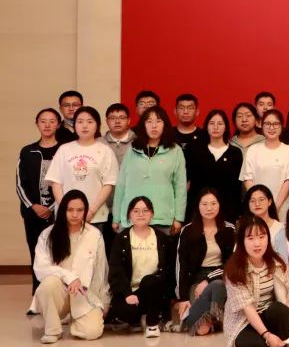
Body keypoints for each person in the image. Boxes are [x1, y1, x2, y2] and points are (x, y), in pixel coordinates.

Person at [222, 215, 289, 347]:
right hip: (243, 322)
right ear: (241, 241)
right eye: (250, 238)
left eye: (261, 237)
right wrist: (267, 335)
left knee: (281, 311)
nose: (257, 243)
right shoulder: (234, 270)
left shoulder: (277, 262)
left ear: (268, 238)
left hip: (269, 314)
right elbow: (248, 309)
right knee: (251, 345)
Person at [32, 190, 108, 343]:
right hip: (58, 293)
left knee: (91, 332)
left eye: (80, 210)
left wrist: (104, 303)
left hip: (83, 294)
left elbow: (101, 273)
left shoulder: (94, 235)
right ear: (63, 210)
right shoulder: (48, 235)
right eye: (70, 210)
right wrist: (69, 277)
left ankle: (75, 317)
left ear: (85, 211)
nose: (75, 214)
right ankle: (53, 330)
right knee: (47, 284)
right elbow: (41, 268)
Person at [45, 105, 118, 249]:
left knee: (92, 254)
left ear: (97, 125)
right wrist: (66, 210)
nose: (85, 126)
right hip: (66, 217)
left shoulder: (105, 151)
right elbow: (56, 182)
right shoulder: (64, 149)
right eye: (80, 121)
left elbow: (108, 184)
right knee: (65, 253)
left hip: (95, 216)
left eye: (90, 122)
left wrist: (90, 211)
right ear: (74, 125)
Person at [112, 106, 188, 235]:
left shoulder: (175, 150)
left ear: (165, 125)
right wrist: (116, 217)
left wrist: (179, 218)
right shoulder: (132, 149)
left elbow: (180, 187)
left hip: (162, 218)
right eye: (149, 121)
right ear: (143, 125)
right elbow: (121, 184)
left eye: (158, 121)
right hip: (132, 217)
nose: (154, 126)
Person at [107, 196, 174, 338]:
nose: (140, 214)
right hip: (131, 292)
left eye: (145, 210)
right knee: (123, 314)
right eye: (136, 211)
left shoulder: (161, 238)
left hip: (155, 289)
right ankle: (140, 316)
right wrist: (127, 293)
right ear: (129, 215)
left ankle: (152, 324)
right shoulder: (121, 239)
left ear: (152, 214)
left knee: (150, 281)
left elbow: (168, 269)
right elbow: (116, 270)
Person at [175, 188, 236, 335]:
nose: (209, 208)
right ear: (198, 206)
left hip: (222, 276)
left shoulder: (229, 229)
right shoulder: (188, 231)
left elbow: (231, 263)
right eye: (204, 204)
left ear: (219, 205)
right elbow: (181, 266)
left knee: (218, 285)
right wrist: (182, 298)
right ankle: (216, 317)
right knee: (201, 330)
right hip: (196, 280)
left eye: (213, 203)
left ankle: (215, 316)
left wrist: (208, 280)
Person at [17, 108, 61, 302]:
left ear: (58, 124)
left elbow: (67, 182)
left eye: (52, 121)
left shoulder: (65, 150)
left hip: (58, 212)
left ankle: (57, 295)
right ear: (37, 124)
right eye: (43, 121)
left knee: (58, 252)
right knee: (36, 252)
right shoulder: (28, 151)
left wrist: (51, 207)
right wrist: (34, 206)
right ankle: (38, 295)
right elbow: (20, 183)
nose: (47, 125)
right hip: (32, 213)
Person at [185, 109, 244, 223]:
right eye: (212, 123)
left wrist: (237, 213)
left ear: (226, 127)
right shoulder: (195, 150)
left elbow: (237, 187)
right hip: (198, 209)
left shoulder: (235, 153)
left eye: (220, 123)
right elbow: (188, 181)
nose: (215, 127)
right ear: (206, 127)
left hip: (227, 210)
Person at [240, 108, 289, 213]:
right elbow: (247, 178)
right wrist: (259, 203)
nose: (271, 128)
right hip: (257, 207)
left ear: (281, 126)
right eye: (267, 124)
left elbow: (288, 181)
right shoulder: (253, 150)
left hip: (282, 207)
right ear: (261, 125)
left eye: (276, 124)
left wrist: (274, 208)